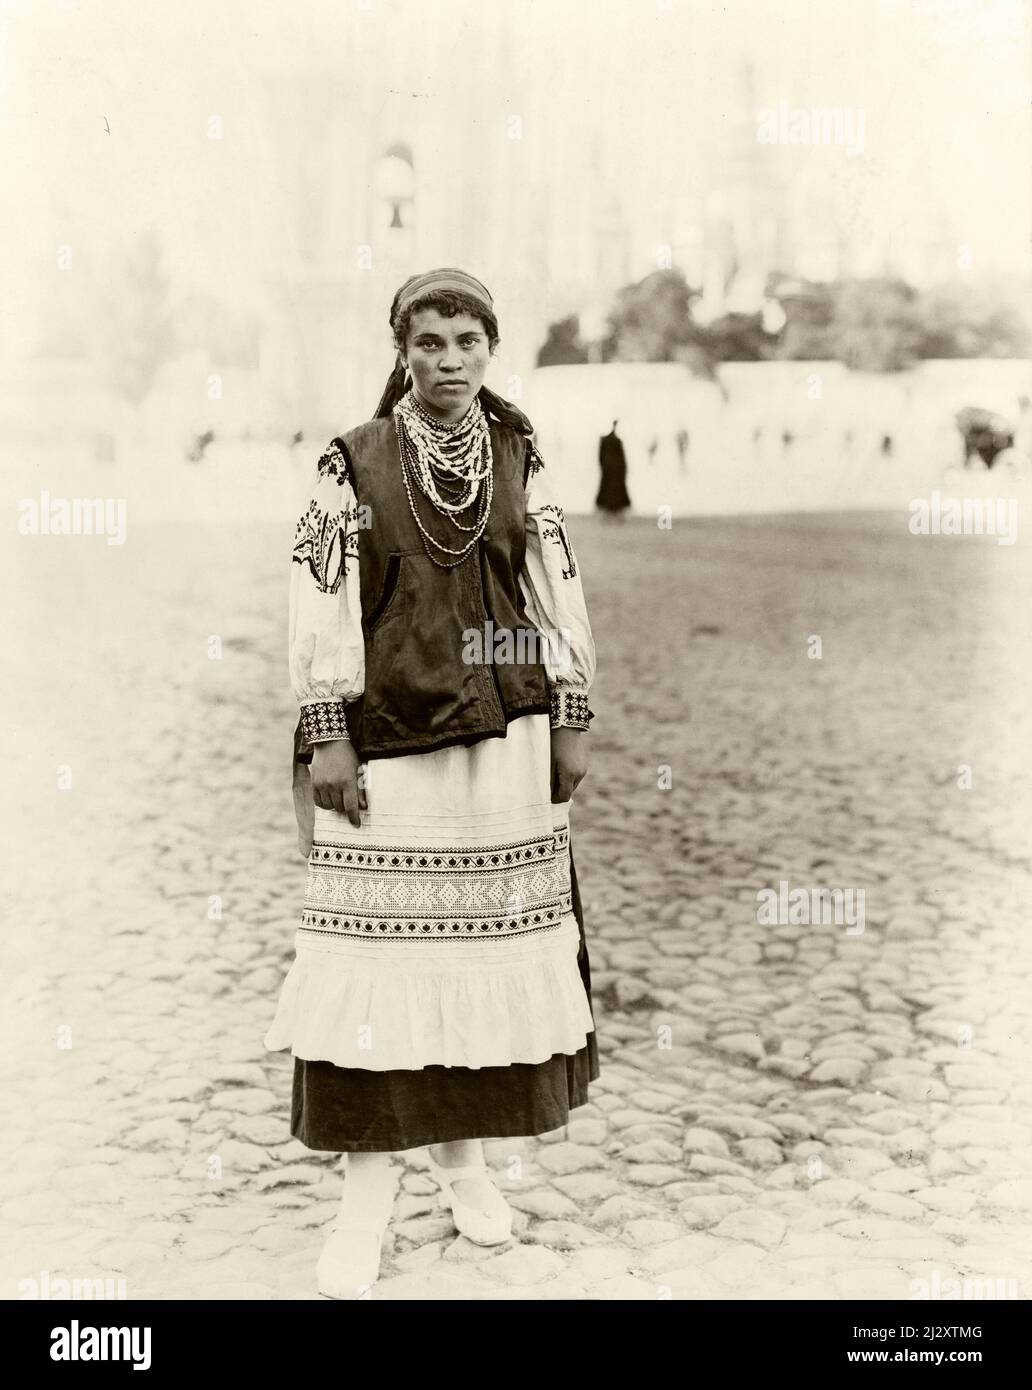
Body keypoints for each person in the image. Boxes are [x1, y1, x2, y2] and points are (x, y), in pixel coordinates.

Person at [265, 267, 600, 1298]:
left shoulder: (518, 451)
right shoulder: (351, 461)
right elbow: (317, 596)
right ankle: (363, 1214)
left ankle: (464, 1170)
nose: (449, 361)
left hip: (505, 739)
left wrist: (573, 708)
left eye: (467, 341)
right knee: (383, 969)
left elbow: (553, 580)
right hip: (389, 740)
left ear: (489, 348)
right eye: (429, 341)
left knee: (484, 960)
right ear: (400, 347)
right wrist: (328, 734)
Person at [596, 420, 631, 518]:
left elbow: (601, 456)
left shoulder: (606, 440)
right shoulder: (615, 440)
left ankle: (610, 510)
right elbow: (621, 458)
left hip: (610, 469)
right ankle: (613, 510)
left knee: (609, 490)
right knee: (613, 490)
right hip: (614, 470)